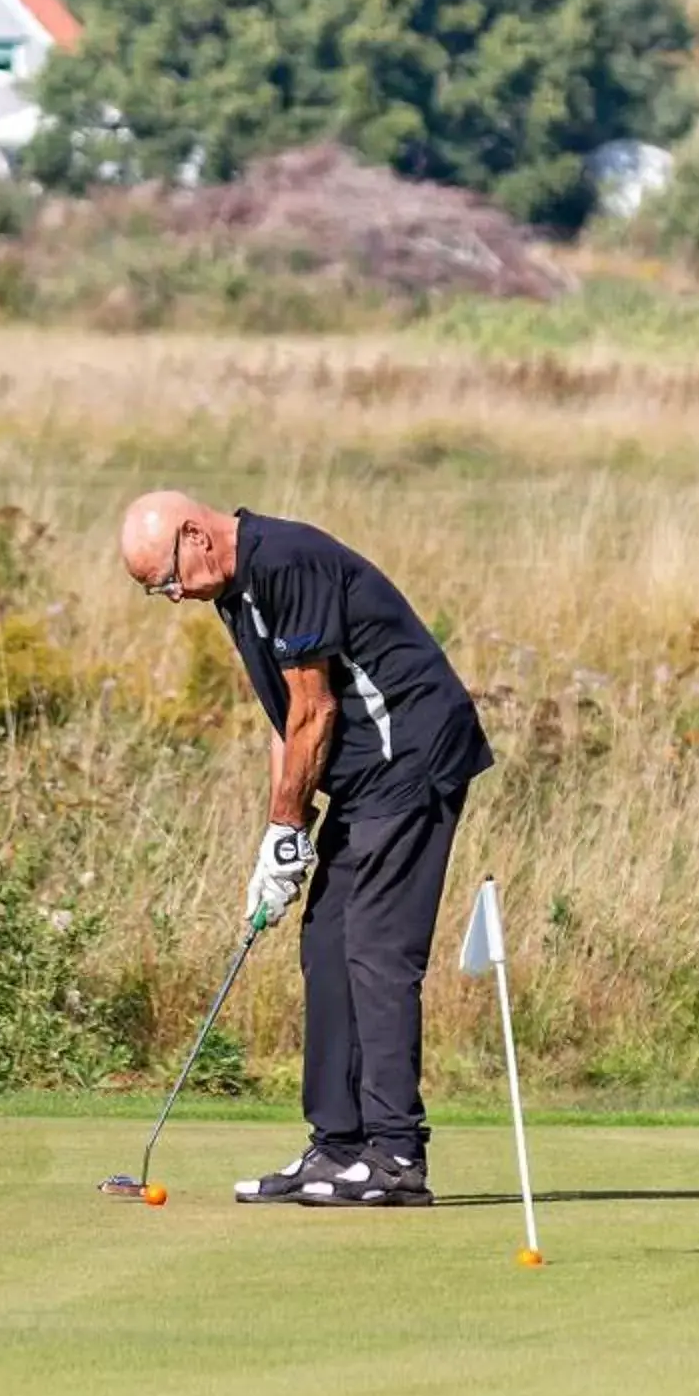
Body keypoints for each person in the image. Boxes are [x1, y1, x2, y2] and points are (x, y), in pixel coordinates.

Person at [116, 491, 493, 1208]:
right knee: (325, 945)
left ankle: (395, 1155)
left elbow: (316, 710)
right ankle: (337, 1147)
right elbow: (286, 717)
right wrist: (278, 835)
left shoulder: (285, 562)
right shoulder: (233, 591)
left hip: (412, 758)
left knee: (376, 952)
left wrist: (291, 826)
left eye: (165, 580)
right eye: (154, 591)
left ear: (195, 535)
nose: (169, 597)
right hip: (363, 779)